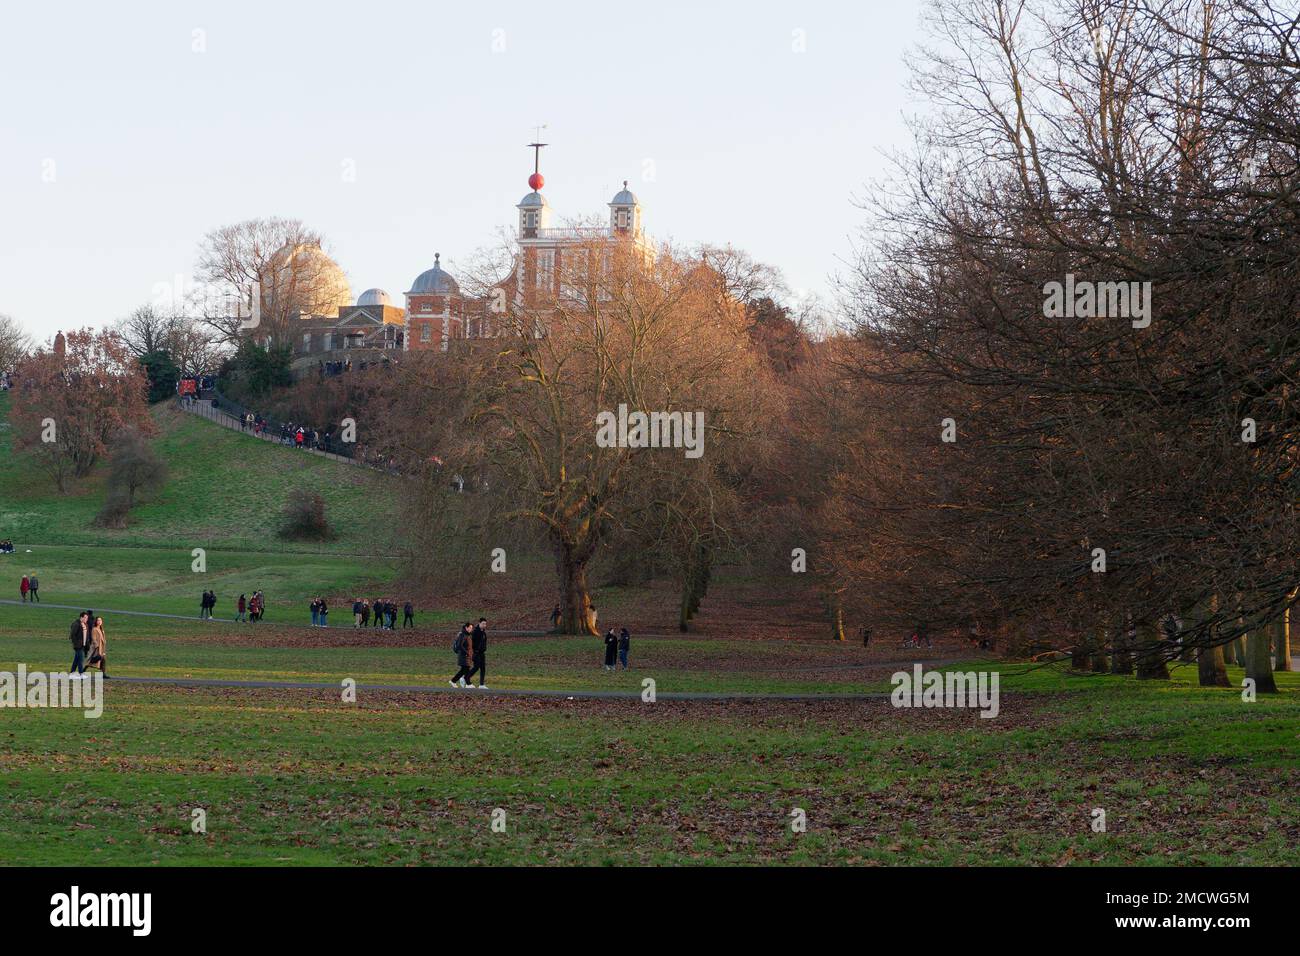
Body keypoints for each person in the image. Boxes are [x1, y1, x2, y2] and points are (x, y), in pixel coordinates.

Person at [465, 618, 488, 689]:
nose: (484, 625)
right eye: (483, 624)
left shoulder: (483, 632)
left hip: (482, 653)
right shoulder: (475, 632)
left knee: (483, 668)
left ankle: (481, 685)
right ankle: (466, 678)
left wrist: (484, 648)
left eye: (485, 624)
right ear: (479, 623)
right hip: (475, 653)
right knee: (476, 667)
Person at [450, 623, 474, 688]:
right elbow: (459, 645)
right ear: (466, 627)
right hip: (464, 656)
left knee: (465, 670)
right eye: (470, 628)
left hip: (467, 656)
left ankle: (455, 681)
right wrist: (467, 653)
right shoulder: (463, 635)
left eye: (472, 628)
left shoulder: (467, 635)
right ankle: (467, 683)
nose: (471, 629)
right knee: (465, 669)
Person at [68, 610, 91, 679]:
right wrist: (76, 643)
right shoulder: (76, 624)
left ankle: (72, 673)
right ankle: (81, 674)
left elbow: (86, 635)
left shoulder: (85, 624)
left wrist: (87, 645)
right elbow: (72, 635)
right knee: (80, 659)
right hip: (78, 646)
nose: (86, 619)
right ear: (81, 617)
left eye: (87, 618)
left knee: (76, 659)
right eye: (85, 617)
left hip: (83, 645)